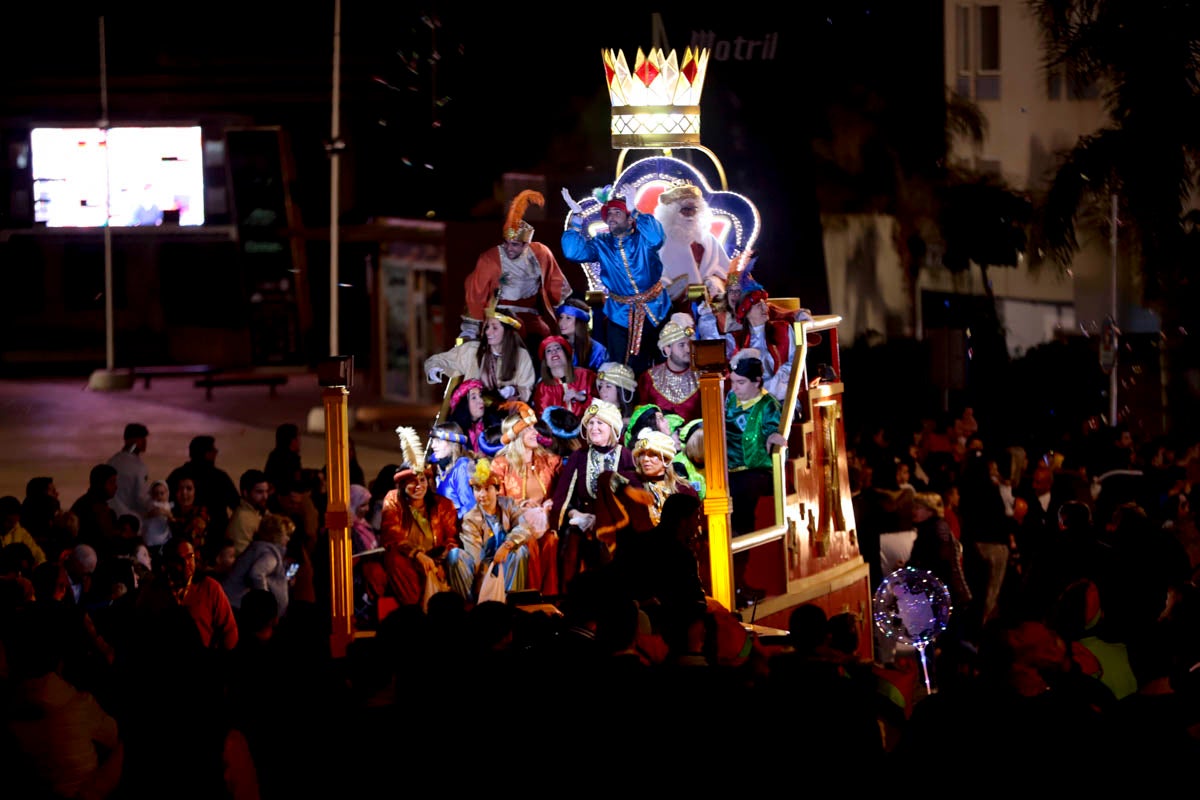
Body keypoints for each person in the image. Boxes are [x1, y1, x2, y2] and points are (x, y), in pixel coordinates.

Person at [561, 186, 669, 373]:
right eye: (609, 213)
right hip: (620, 314)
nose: (611, 217)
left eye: (617, 212)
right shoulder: (602, 243)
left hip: (656, 308)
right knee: (621, 367)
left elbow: (657, 238)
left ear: (629, 218)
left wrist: (634, 208)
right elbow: (572, 252)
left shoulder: (643, 238)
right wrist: (577, 218)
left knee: (661, 361)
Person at [362, 431, 466, 610]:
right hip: (407, 562)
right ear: (401, 485)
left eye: (422, 480)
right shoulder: (393, 500)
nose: (418, 486)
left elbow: (451, 539)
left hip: (435, 561)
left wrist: (440, 563)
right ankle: (414, 613)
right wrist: (418, 555)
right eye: (411, 481)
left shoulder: (443, 505)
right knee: (394, 560)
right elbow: (393, 537)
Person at [460, 189, 573, 349]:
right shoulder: (490, 258)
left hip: (532, 317)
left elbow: (555, 285)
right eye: (506, 242)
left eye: (515, 244)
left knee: (547, 340)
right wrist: (470, 330)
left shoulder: (540, 253)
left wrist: (565, 315)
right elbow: (476, 294)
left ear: (526, 244)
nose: (509, 248)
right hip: (500, 317)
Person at [549, 399, 639, 587]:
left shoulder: (626, 456)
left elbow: (634, 497)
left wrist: (604, 519)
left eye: (600, 423)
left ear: (612, 428)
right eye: (590, 422)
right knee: (571, 544)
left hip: (618, 524)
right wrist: (577, 515)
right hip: (583, 523)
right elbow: (563, 496)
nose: (594, 427)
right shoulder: (578, 456)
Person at [725, 348, 786, 536]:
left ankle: (741, 537)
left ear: (757, 382)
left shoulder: (768, 405)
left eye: (741, 383)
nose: (735, 388)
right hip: (729, 468)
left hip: (755, 470)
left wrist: (772, 436)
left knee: (743, 490)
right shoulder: (731, 399)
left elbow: (771, 428)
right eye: (733, 382)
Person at [426, 309, 536, 402]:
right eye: (487, 327)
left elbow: (526, 389)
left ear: (507, 332)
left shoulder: (521, 356)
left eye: (495, 328)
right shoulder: (473, 350)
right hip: (473, 417)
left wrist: (513, 391)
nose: (488, 332)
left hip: (505, 417)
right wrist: (433, 368)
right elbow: (441, 360)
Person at [652, 183, 730, 314]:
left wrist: (714, 282)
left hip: (710, 308)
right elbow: (652, 278)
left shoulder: (709, 240)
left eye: (693, 210)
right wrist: (674, 289)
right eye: (685, 210)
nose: (690, 215)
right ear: (671, 212)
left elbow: (727, 273)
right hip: (674, 311)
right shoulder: (660, 241)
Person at [222, 512, 295, 620]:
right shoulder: (270, 553)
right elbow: (257, 574)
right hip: (238, 607)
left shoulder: (257, 548)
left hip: (232, 603)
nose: (288, 539)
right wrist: (266, 606)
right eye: (286, 535)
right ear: (276, 535)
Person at [165, 435, 240, 540]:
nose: (216, 452)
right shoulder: (220, 477)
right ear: (207, 454)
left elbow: (165, 502)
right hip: (215, 536)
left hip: (183, 537)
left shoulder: (178, 474)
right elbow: (237, 505)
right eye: (213, 450)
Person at [636, 313, 702, 422]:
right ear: (667, 349)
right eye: (681, 345)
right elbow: (642, 416)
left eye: (690, 344)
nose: (688, 350)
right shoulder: (649, 378)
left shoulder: (703, 376)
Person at [631, 428, 698, 527]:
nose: (645, 459)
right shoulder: (633, 486)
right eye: (642, 454)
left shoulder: (685, 491)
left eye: (652, 455)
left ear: (666, 459)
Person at [531, 334, 595, 418]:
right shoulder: (542, 388)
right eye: (548, 351)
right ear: (545, 361)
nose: (554, 352)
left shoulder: (586, 376)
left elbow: (603, 407)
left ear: (566, 355)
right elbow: (543, 420)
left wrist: (583, 398)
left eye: (558, 348)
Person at [428, 422, 477, 519]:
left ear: (452, 443)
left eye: (438, 441)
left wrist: (449, 522)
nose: (432, 446)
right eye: (433, 441)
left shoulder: (461, 466)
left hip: (461, 530)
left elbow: (470, 506)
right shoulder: (442, 469)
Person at [106, 422, 151, 522]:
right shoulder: (139, 467)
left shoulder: (112, 461)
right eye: (141, 438)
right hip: (130, 521)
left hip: (110, 516)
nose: (145, 442)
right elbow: (141, 498)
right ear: (132, 440)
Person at [447, 379, 504, 456]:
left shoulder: (495, 422)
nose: (481, 400)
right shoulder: (454, 433)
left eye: (480, 395)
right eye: (474, 397)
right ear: (464, 404)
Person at [556, 297, 608, 371]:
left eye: (568, 318)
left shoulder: (597, 350)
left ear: (579, 322)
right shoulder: (555, 345)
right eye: (561, 317)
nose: (561, 323)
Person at [226, 469, 270, 557]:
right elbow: (242, 557)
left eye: (266, 491)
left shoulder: (259, 511)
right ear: (245, 493)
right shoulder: (242, 519)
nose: (265, 496)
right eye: (259, 492)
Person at [594, 361, 637, 426]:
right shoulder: (595, 411)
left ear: (621, 390)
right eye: (601, 386)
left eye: (608, 386)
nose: (602, 390)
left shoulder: (635, 415)